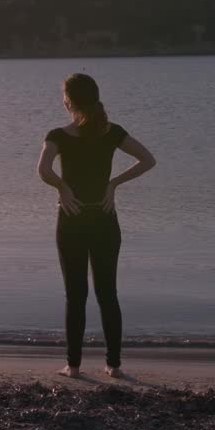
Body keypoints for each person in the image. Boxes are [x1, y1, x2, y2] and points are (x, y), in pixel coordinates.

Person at [37, 73, 155, 378]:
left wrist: (62, 188)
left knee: (75, 295)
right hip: (104, 219)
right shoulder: (111, 132)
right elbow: (147, 159)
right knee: (108, 294)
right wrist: (113, 184)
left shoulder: (58, 136)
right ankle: (113, 365)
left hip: (72, 220)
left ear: (68, 102)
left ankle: (73, 366)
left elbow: (43, 170)